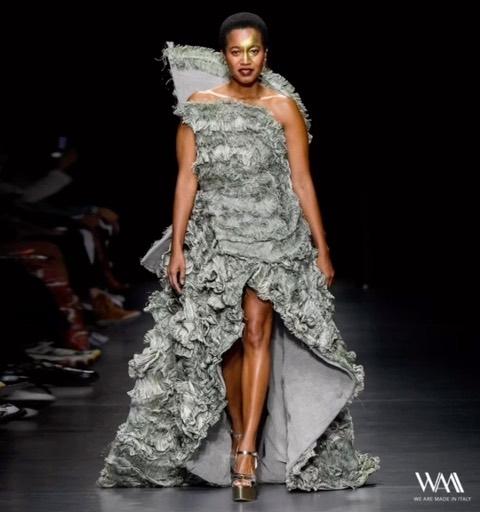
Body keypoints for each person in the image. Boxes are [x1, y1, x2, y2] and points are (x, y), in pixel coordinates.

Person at [98, 12, 380, 502]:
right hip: (217, 239)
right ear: (224, 55)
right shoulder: (199, 108)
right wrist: (178, 246)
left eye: (254, 50)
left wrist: (322, 245)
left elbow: (301, 180)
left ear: (266, 54)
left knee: (256, 332)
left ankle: (247, 450)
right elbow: (187, 181)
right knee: (226, 344)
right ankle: (235, 434)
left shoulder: (283, 108)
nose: (245, 59)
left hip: (275, 237)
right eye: (235, 51)